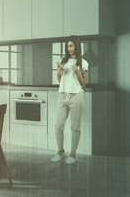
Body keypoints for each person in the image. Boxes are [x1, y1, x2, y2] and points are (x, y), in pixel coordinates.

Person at [50, 35, 88, 164]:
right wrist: (58, 72)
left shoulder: (83, 62)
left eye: (71, 46)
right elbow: (61, 81)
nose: (69, 48)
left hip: (76, 96)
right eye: (67, 46)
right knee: (58, 126)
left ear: (76, 46)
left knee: (75, 127)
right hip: (63, 95)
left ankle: (73, 155)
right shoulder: (64, 60)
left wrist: (77, 72)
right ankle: (60, 151)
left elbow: (83, 84)